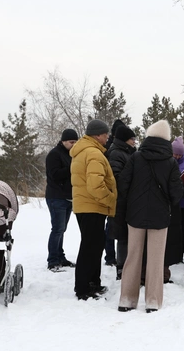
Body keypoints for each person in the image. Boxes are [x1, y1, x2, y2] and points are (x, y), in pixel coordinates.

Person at [116, 120, 183, 312]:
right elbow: (176, 193)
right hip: (160, 216)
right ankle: (153, 301)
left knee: (133, 256)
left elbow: (123, 184)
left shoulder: (136, 158)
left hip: (135, 214)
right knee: (155, 259)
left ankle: (126, 299)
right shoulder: (170, 162)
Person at [70, 119, 117, 300]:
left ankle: (92, 282)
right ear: (97, 135)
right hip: (92, 206)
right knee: (90, 247)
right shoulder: (93, 154)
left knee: (94, 245)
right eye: (105, 135)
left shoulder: (83, 152)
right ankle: (83, 288)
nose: (107, 138)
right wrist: (110, 199)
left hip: (86, 206)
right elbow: (96, 185)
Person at [106, 124, 137, 280]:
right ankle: (121, 267)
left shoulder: (127, 152)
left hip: (127, 200)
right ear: (125, 140)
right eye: (132, 139)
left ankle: (126, 266)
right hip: (121, 201)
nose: (134, 142)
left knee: (127, 235)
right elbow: (117, 178)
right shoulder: (117, 154)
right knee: (123, 236)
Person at [45, 128, 79, 272]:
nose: (74, 145)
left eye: (75, 142)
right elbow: (55, 175)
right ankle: (52, 260)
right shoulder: (54, 154)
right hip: (56, 196)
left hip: (68, 197)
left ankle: (60, 256)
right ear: (63, 141)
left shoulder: (72, 154)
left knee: (62, 229)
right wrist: (72, 168)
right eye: (71, 142)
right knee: (57, 229)